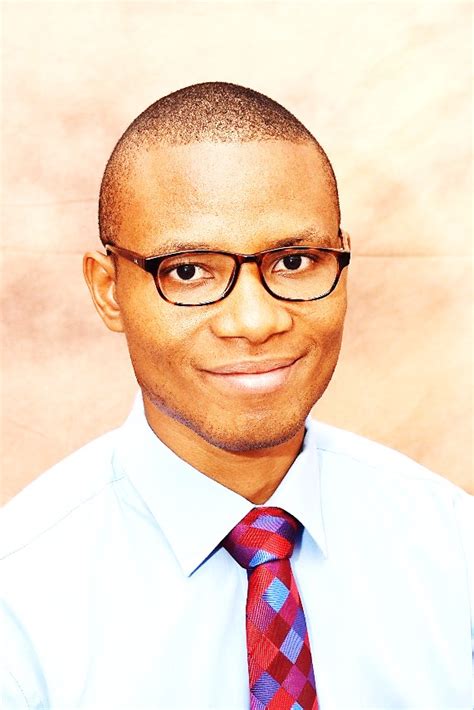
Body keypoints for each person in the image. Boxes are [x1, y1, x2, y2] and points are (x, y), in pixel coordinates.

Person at [1, 82, 472, 710]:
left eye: (295, 261)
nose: (255, 321)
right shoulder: (18, 602)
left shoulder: (453, 548)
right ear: (108, 290)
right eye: (188, 271)